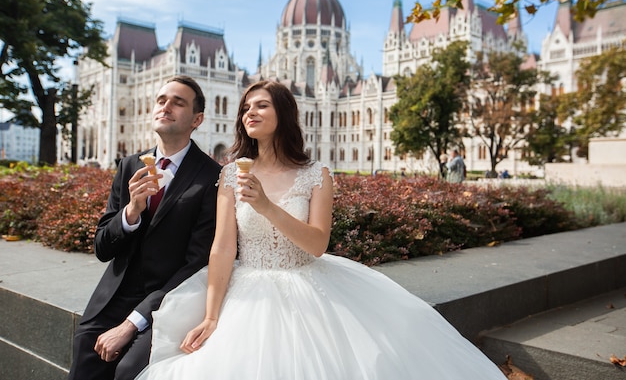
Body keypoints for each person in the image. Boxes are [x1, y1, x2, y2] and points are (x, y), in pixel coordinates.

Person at [135, 80, 507, 380]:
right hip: (246, 294)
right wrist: (212, 316)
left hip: (309, 288)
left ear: (284, 113)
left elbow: (317, 244)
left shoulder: (316, 175)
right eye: (246, 107)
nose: (250, 112)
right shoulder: (231, 174)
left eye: (261, 105)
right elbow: (221, 248)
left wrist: (266, 206)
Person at [68, 76, 222, 380]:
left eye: (178, 102)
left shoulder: (211, 177)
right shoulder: (129, 166)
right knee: (85, 357)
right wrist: (131, 212)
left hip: (169, 299)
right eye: (162, 99)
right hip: (115, 296)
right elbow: (102, 247)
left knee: (128, 371)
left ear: (197, 119)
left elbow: (196, 263)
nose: (166, 106)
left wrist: (130, 324)